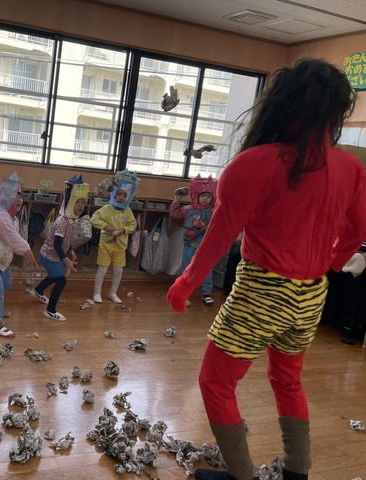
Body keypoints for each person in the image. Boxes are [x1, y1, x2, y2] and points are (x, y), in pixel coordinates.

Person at [167, 58, 366, 480]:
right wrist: (334, 260)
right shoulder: (350, 167)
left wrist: (187, 281)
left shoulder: (255, 162)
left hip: (263, 292)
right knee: (288, 381)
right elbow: (360, 227)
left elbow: (220, 235)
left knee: (216, 384)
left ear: (281, 103)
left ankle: (241, 475)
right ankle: (296, 473)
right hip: (311, 295)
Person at [0, 172, 37, 338]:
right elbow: (12, 237)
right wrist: (26, 250)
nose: (19, 200)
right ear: (5, 198)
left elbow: (14, 238)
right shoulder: (1, 217)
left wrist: (22, 249)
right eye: (15, 196)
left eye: (20, 196)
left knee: (6, 285)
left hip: (2, 259)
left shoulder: (14, 219)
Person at [28, 174, 88, 321]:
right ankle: (50, 310)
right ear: (68, 202)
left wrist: (71, 250)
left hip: (55, 256)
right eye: (77, 201)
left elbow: (67, 240)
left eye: (83, 202)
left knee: (55, 276)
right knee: (61, 280)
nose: (81, 205)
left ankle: (38, 290)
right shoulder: (63, 222)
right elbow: (57, 243)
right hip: (48, 256)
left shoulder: (73, 220)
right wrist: (66, 260)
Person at [91, 170, 139, 304]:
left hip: (120, 246)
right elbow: (94, 219)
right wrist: (105, 226)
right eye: (119, 194)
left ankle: (113, 293)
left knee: (118, 271)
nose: (121, 198)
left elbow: (133, 224)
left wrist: (124, 230)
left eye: (125, 195)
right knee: (102, 269)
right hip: (106, 244)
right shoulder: (106, 209)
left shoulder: (127, 211)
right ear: (114, 194)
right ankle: (97, 293)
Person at [170, 175, 217, 306]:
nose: (205, 199)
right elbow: (175, 214)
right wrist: (177, 199)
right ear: (197, 196)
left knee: (206, 270)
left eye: (208, 196)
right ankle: (181, 293)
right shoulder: (188, 209)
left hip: (206, 246)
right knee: (186, 268)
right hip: (190, 245)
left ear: (212, 197)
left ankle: (206, 293)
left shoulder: (213, 211)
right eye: (203, 196)